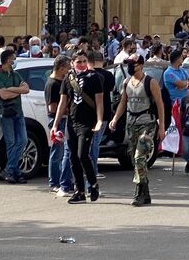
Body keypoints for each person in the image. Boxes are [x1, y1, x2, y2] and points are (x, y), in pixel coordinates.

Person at [109, 58, 164, 206]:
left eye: (132, 64)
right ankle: (146, 193)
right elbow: (123, 102)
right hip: (131, 124)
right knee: (135, 160)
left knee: (140, 158)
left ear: (140, 65)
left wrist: (162, 127)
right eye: (128, 64)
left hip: (147, 124)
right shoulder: (127, 82)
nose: (130, 67)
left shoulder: (150, 82)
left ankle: (139, 192)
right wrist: (115, 119)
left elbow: (160, 104)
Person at [59, 52, 100, 204]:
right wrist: (56, 124)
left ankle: (93, 183)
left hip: (87, 122)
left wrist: (100, 120)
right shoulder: (68, 78)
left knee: (83, 154)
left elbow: (99, 101)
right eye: (79, 61)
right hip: (72, 121)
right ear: (72, 62)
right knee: (72, 156)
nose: (82, 64)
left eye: (84, 61)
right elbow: (63, 103)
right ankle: (80, 191)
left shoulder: (93, 77)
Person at [0, 48, 31, 184]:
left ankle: (10, 169)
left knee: (23, 140)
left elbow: (26, 89)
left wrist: (11, 90)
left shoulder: (15, 74)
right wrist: (17, 91)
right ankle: (15, 172)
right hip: (5, 113)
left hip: (18, 112)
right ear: (8, 60)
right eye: (13, 59)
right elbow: (3, 95)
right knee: (11, 142)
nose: (15, 61)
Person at [44, 55, 76, 198]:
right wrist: (68, 109)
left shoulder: (62, 81)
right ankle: (54, 183)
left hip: (64, 120)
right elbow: (52, 108)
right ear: (61, 68)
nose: (69, 70)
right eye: (68, 67)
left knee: (64, 152)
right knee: (57, 152)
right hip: (57, 121)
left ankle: (65, 181)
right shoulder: (52, 84)